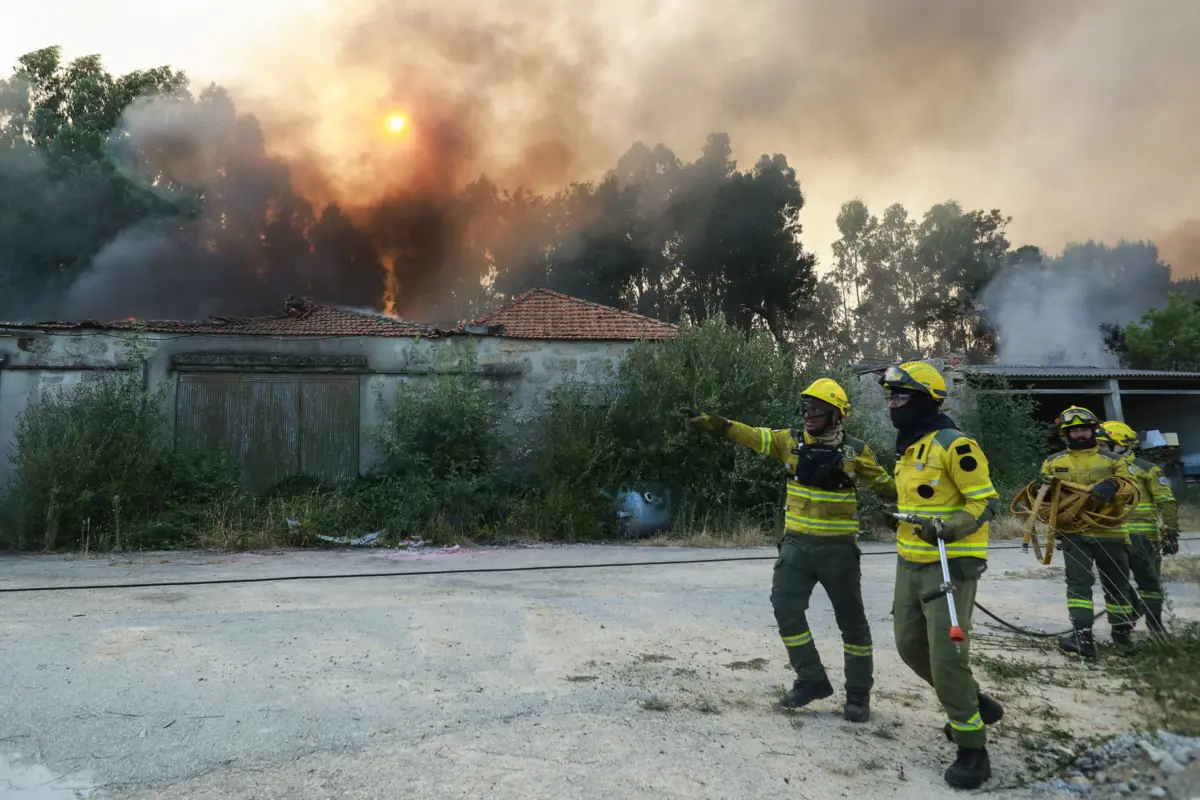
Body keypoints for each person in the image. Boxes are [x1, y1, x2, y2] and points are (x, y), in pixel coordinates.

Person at [681, 378, 895, 723]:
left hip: (839, 552)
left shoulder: (856, 451)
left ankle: (858, 693)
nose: (808, 414)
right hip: (796, 547)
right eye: (805, 408)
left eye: (817, 410)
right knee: (785, 608)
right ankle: (811, 679)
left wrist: (913, 504)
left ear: (836, 416)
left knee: (852, 624)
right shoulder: (789, 441)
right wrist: (713, 423)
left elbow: (887, 486)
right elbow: (750, 435)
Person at [879, 360, 1003, 791]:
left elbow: (985, 503)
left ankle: (973, 749)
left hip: (951, 563)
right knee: (909, 645)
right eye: (890, 396)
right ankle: (974, 701)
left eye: (901, 396)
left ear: (926, 401)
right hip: (909, 560)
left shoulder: (956, 445)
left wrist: (950, 527)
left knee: (947, 657)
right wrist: (894, 517)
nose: (892, 403)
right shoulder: (908, 445)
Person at [1038, 407, 1138, 658]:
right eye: (1074, 430)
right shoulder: (1053, 462)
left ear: (1093, 430)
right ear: (1066, 433)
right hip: (1073, 534)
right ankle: (1082, 636)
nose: (1080, 434)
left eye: (1084, 429)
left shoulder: (1113, 461)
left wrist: (1113, 484)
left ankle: (1122, 635)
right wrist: (1046, 493)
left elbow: (1131, 486)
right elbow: (1042, 497)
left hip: (1109, 530)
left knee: (1117, 585)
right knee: (1078, 585)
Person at [1099, 420, 1180, 633]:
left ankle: (1155, 624)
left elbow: (1166, 501)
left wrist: (1171, 532)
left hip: (1142, 538)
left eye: (1106, 445)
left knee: (1149, 584)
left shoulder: (1146, 470)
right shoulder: (1100, 471)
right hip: (1111, 537)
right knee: (1116, 584)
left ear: (1121, 444)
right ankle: (1123, 628)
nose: (1101, 449)